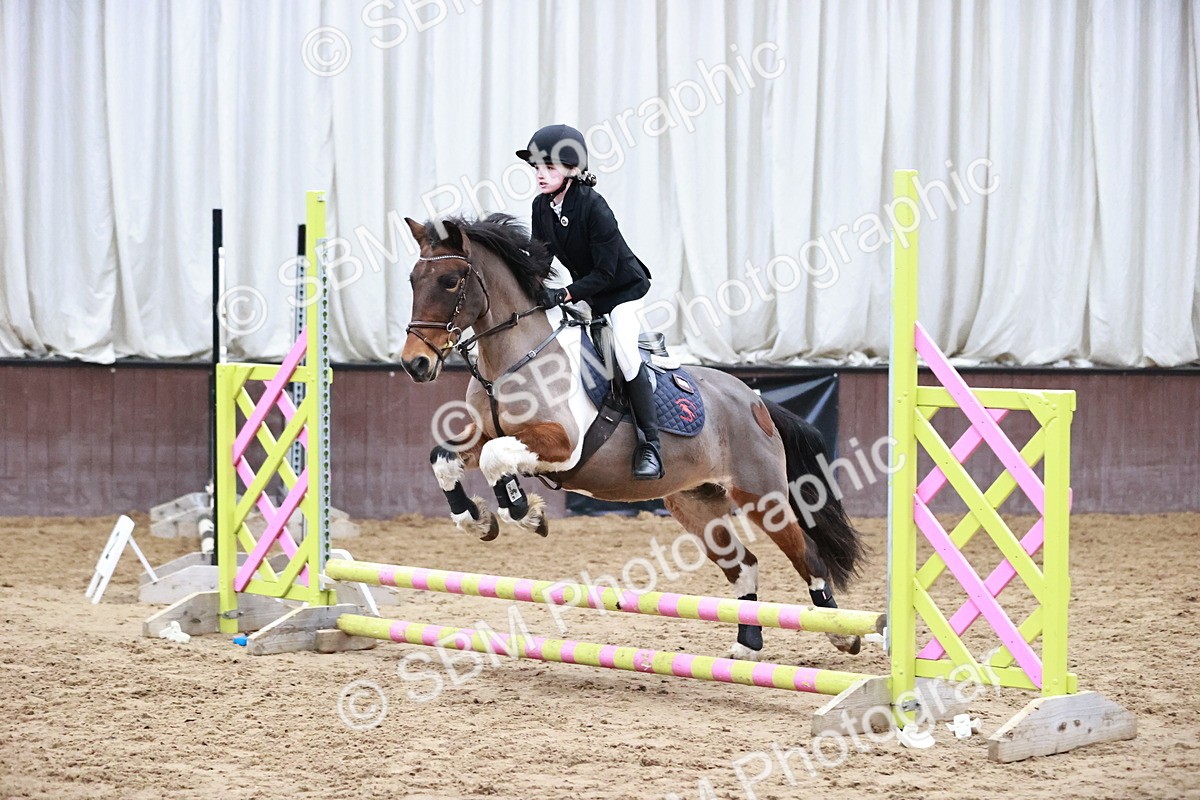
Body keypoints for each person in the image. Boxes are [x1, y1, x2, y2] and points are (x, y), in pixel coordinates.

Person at [517, 124, 664, 480]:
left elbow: (606, 273)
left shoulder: (594, 207)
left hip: (621, 292)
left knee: (626, 356)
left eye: (549, 168)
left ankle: (651, 445)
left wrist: (564, 294)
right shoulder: (542, 206)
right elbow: (541, 259)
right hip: (587, 294)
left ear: (572, 171)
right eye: (536, 167)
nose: (540, 175)